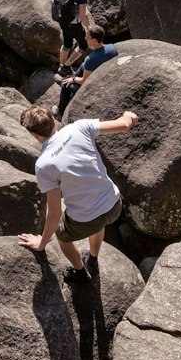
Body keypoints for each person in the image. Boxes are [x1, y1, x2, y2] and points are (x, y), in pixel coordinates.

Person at [18, 104, 140, 280]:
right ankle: (93, 258)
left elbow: (54, 212)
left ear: (35, 135)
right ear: (53, 120)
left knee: (62, 235)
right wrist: (129, 116)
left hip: (86, 219)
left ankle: (80, 272)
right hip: (113, 204)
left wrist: (41, 243)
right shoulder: (79, 127)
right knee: (98, 222)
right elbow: (123, 125)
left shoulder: (43, 165)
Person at [55, 30, 120, 115]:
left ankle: (60, 111)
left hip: (91, 82)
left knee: (65, 84)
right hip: (92, 71)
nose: (85, 38)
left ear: (94, 41)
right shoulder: (112, 48)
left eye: (87, 37)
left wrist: (74, 79)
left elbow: (84, 81)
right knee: (76, 72)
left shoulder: (91, 59)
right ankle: (68, 78)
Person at [52, 0, 95, 64]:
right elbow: (82, 16)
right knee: (83, 45)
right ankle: (67, 64)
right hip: (74, 25)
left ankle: (62, 65)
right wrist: (89, 27)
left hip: (63, 19)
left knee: (67, 44)